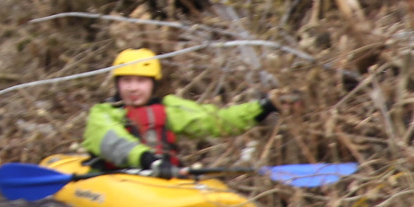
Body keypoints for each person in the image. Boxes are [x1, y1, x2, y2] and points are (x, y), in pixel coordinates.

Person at [82, 49, 290, 178]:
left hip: (163, 178)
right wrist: (149, 160)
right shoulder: (103, 114)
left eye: (141, 81)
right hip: (117, 177)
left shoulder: (169, 108)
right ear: (117, 85)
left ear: (153, 84)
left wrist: (265, 106)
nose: (133, 88)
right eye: (126, 81)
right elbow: (114, 141)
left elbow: (217, 121)